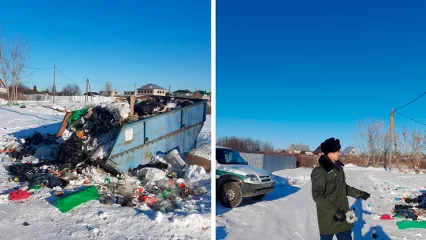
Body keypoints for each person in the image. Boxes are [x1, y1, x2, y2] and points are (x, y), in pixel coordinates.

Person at [311, 137, 370, 240]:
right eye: (337, 151)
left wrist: (359, 193)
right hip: (328, 217)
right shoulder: (319, 172)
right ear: (330, 154)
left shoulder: (338, 169)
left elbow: (342, 187)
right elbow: (317, 196)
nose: (339, 153)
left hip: (343, 214)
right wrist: (335, 212)